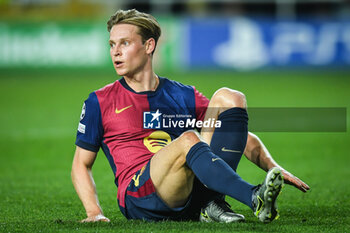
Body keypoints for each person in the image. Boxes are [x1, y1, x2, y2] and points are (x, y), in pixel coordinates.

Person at [71, 9, 309, 224]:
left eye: (124, 43)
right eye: (112, 44)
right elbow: (81, 164)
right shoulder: (100, 101)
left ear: (149, 46)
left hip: (187, 187)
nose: (116, 52)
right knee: (188, 138)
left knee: (230, 97)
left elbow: (232, 134)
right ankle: (252, 197)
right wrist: (94, 212)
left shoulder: (182, 94)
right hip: (140, 196)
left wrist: (273, 167)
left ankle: (210, 204)